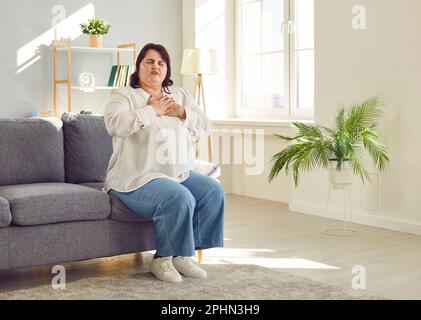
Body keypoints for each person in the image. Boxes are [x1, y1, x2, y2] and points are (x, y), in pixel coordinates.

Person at [103, 43, 225, 283]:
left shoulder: (179, 95)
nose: (155, 67)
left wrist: (183, 113)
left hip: (178, 173)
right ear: (138, 67)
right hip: (136, 177)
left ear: (167, 69)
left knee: (213, 191)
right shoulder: (124, 95)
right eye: (149, 61)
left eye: (161, 63)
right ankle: (162, 258)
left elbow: (205, 125)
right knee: (179, 197)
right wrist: (151, 110)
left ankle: (183, 254)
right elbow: (115, 124)